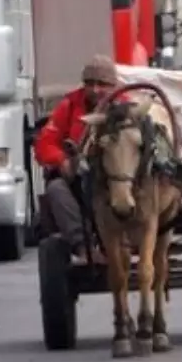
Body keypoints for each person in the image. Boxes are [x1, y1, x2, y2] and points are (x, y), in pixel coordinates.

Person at [35, 55, 120, 264]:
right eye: (90, 83)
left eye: (102, 84)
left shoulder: (125, 106)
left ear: (113, 86)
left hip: (117, 176)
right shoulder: (69, 105)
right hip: (80, 178)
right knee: (56, 189)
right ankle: (84, 246)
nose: (95, 89)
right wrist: (61, 160)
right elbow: (45, 142)